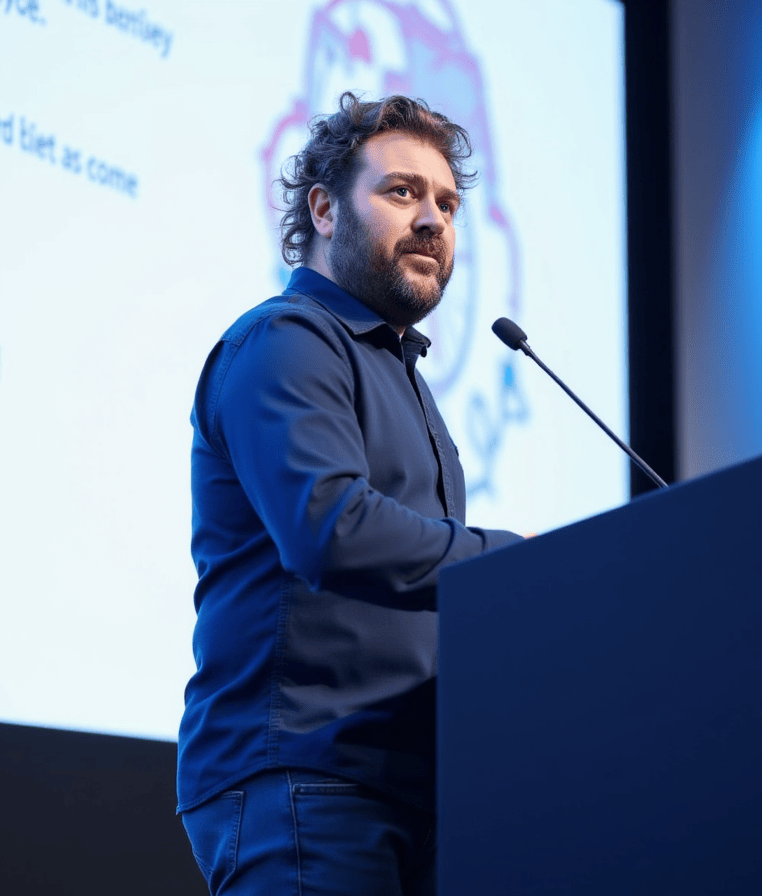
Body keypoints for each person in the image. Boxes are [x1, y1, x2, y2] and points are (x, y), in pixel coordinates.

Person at [177, 92, 521, 896]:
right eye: (402, 192)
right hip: (306, 774)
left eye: (448, 204)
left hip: (416, 787)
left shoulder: (406, 380)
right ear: (324, 210)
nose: (432, 219)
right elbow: (331, 529)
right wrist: (512, 563)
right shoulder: (285, 340)